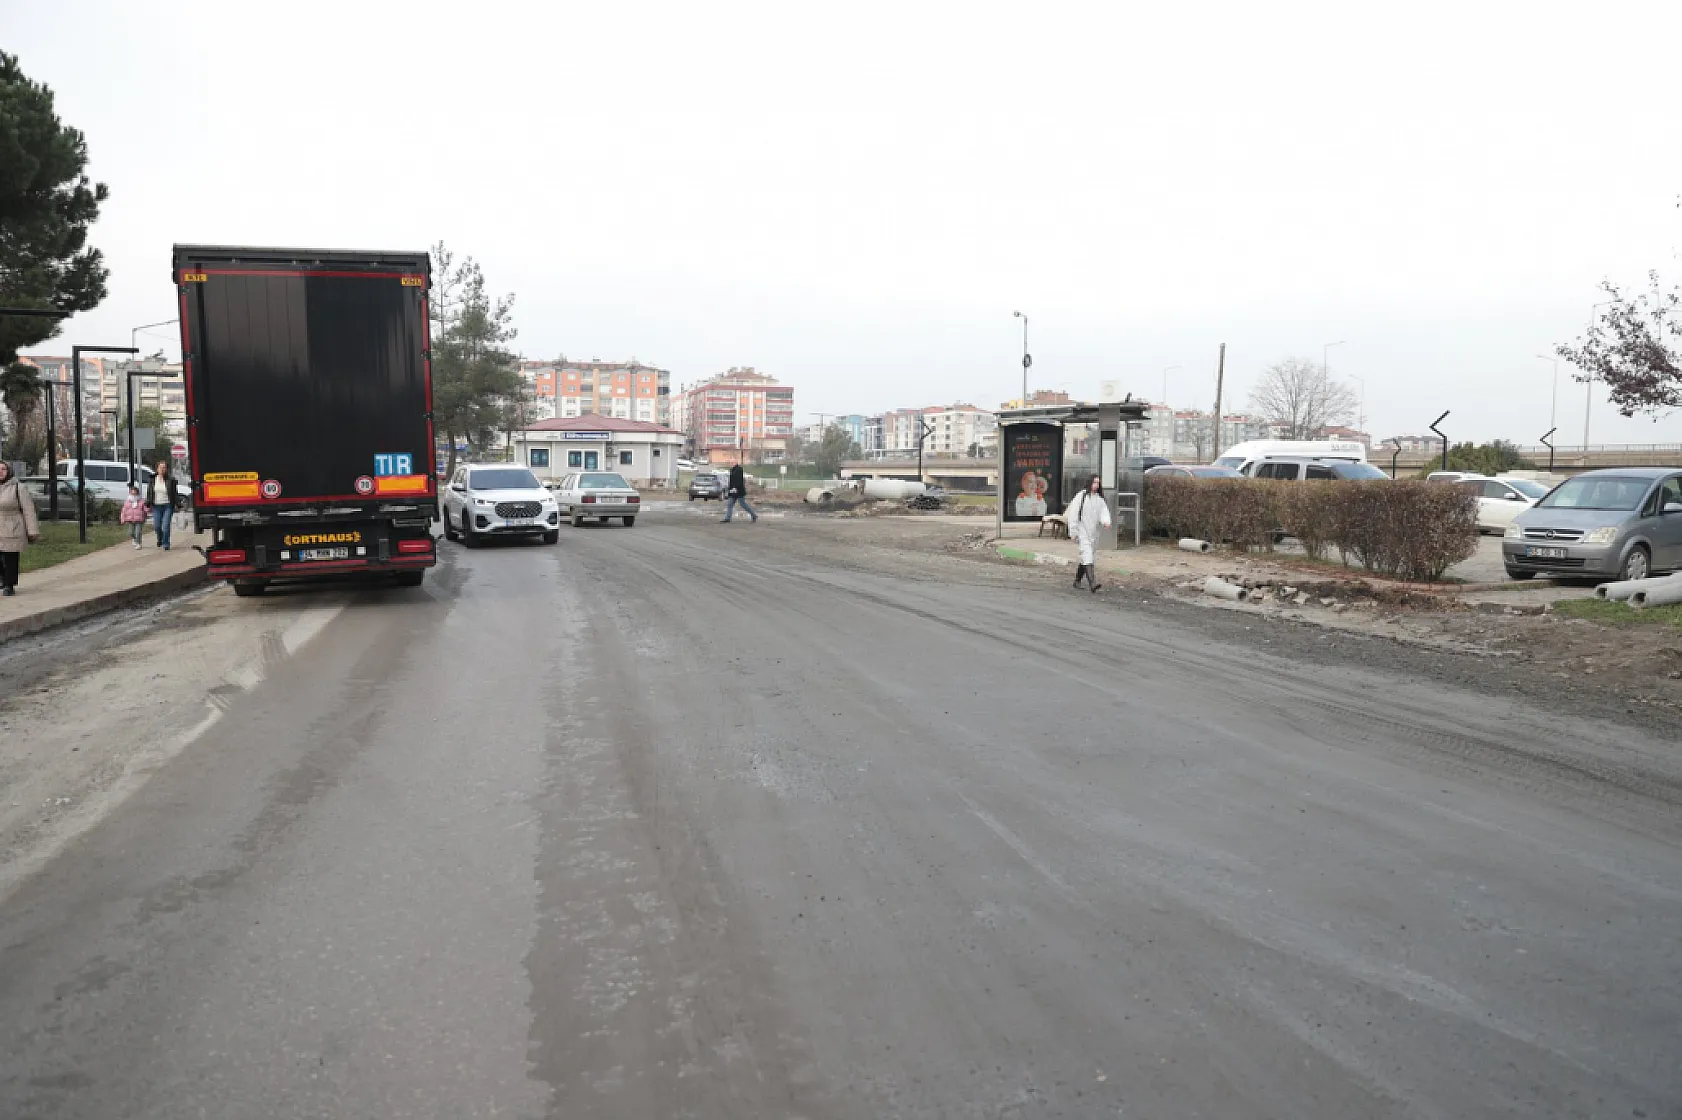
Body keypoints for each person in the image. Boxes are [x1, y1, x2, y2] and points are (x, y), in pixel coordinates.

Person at [1065, 474, 1112, 593]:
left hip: (1094, 533)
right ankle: (1092, 583)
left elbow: (1104, 512)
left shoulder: (1099, 499)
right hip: (1082, 530)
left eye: (1098, 483)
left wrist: (1106, 521)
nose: (1096, 485)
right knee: (1087, 555)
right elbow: (1073, 513)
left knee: (1086, 558)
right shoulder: (1081, 496)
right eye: (1094, 482)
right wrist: (1073, 531)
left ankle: (1077, 581)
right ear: (1089, 482)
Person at [0, 461, 41, 597]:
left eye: (3, 469)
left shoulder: (18, 487)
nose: (0, 472)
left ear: (9, 471)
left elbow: (28, 510)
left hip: (12, 528)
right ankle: (2, 579)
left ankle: (9, 585)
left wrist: (32, 530)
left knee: (10, 558)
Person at [146, 460, 181, 550]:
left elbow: (174, 493)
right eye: (160, 467)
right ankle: (160, 538)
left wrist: (178, 504)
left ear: (166, 469)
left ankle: (166, 543)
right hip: (156, 506)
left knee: (165, 526)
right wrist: (148, 503)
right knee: (157, 526)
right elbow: (149, 492)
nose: (162, 469)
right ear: (157, 469)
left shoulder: (171, 480)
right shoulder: (152, 479)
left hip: (167, 506)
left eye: (164, 467)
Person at [120, 484, 147, 548]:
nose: (134, 494)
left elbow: (146, 509)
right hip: (130, 520)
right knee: (131, 532)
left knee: (138, 532)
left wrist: (148, 508)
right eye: (132, 493)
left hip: (139, 520)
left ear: (137, 493)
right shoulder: (127, 502)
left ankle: (138, 543)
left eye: (135, 493)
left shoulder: (141, 501)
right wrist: (122, 519)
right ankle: (134, 539)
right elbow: (123, 511)